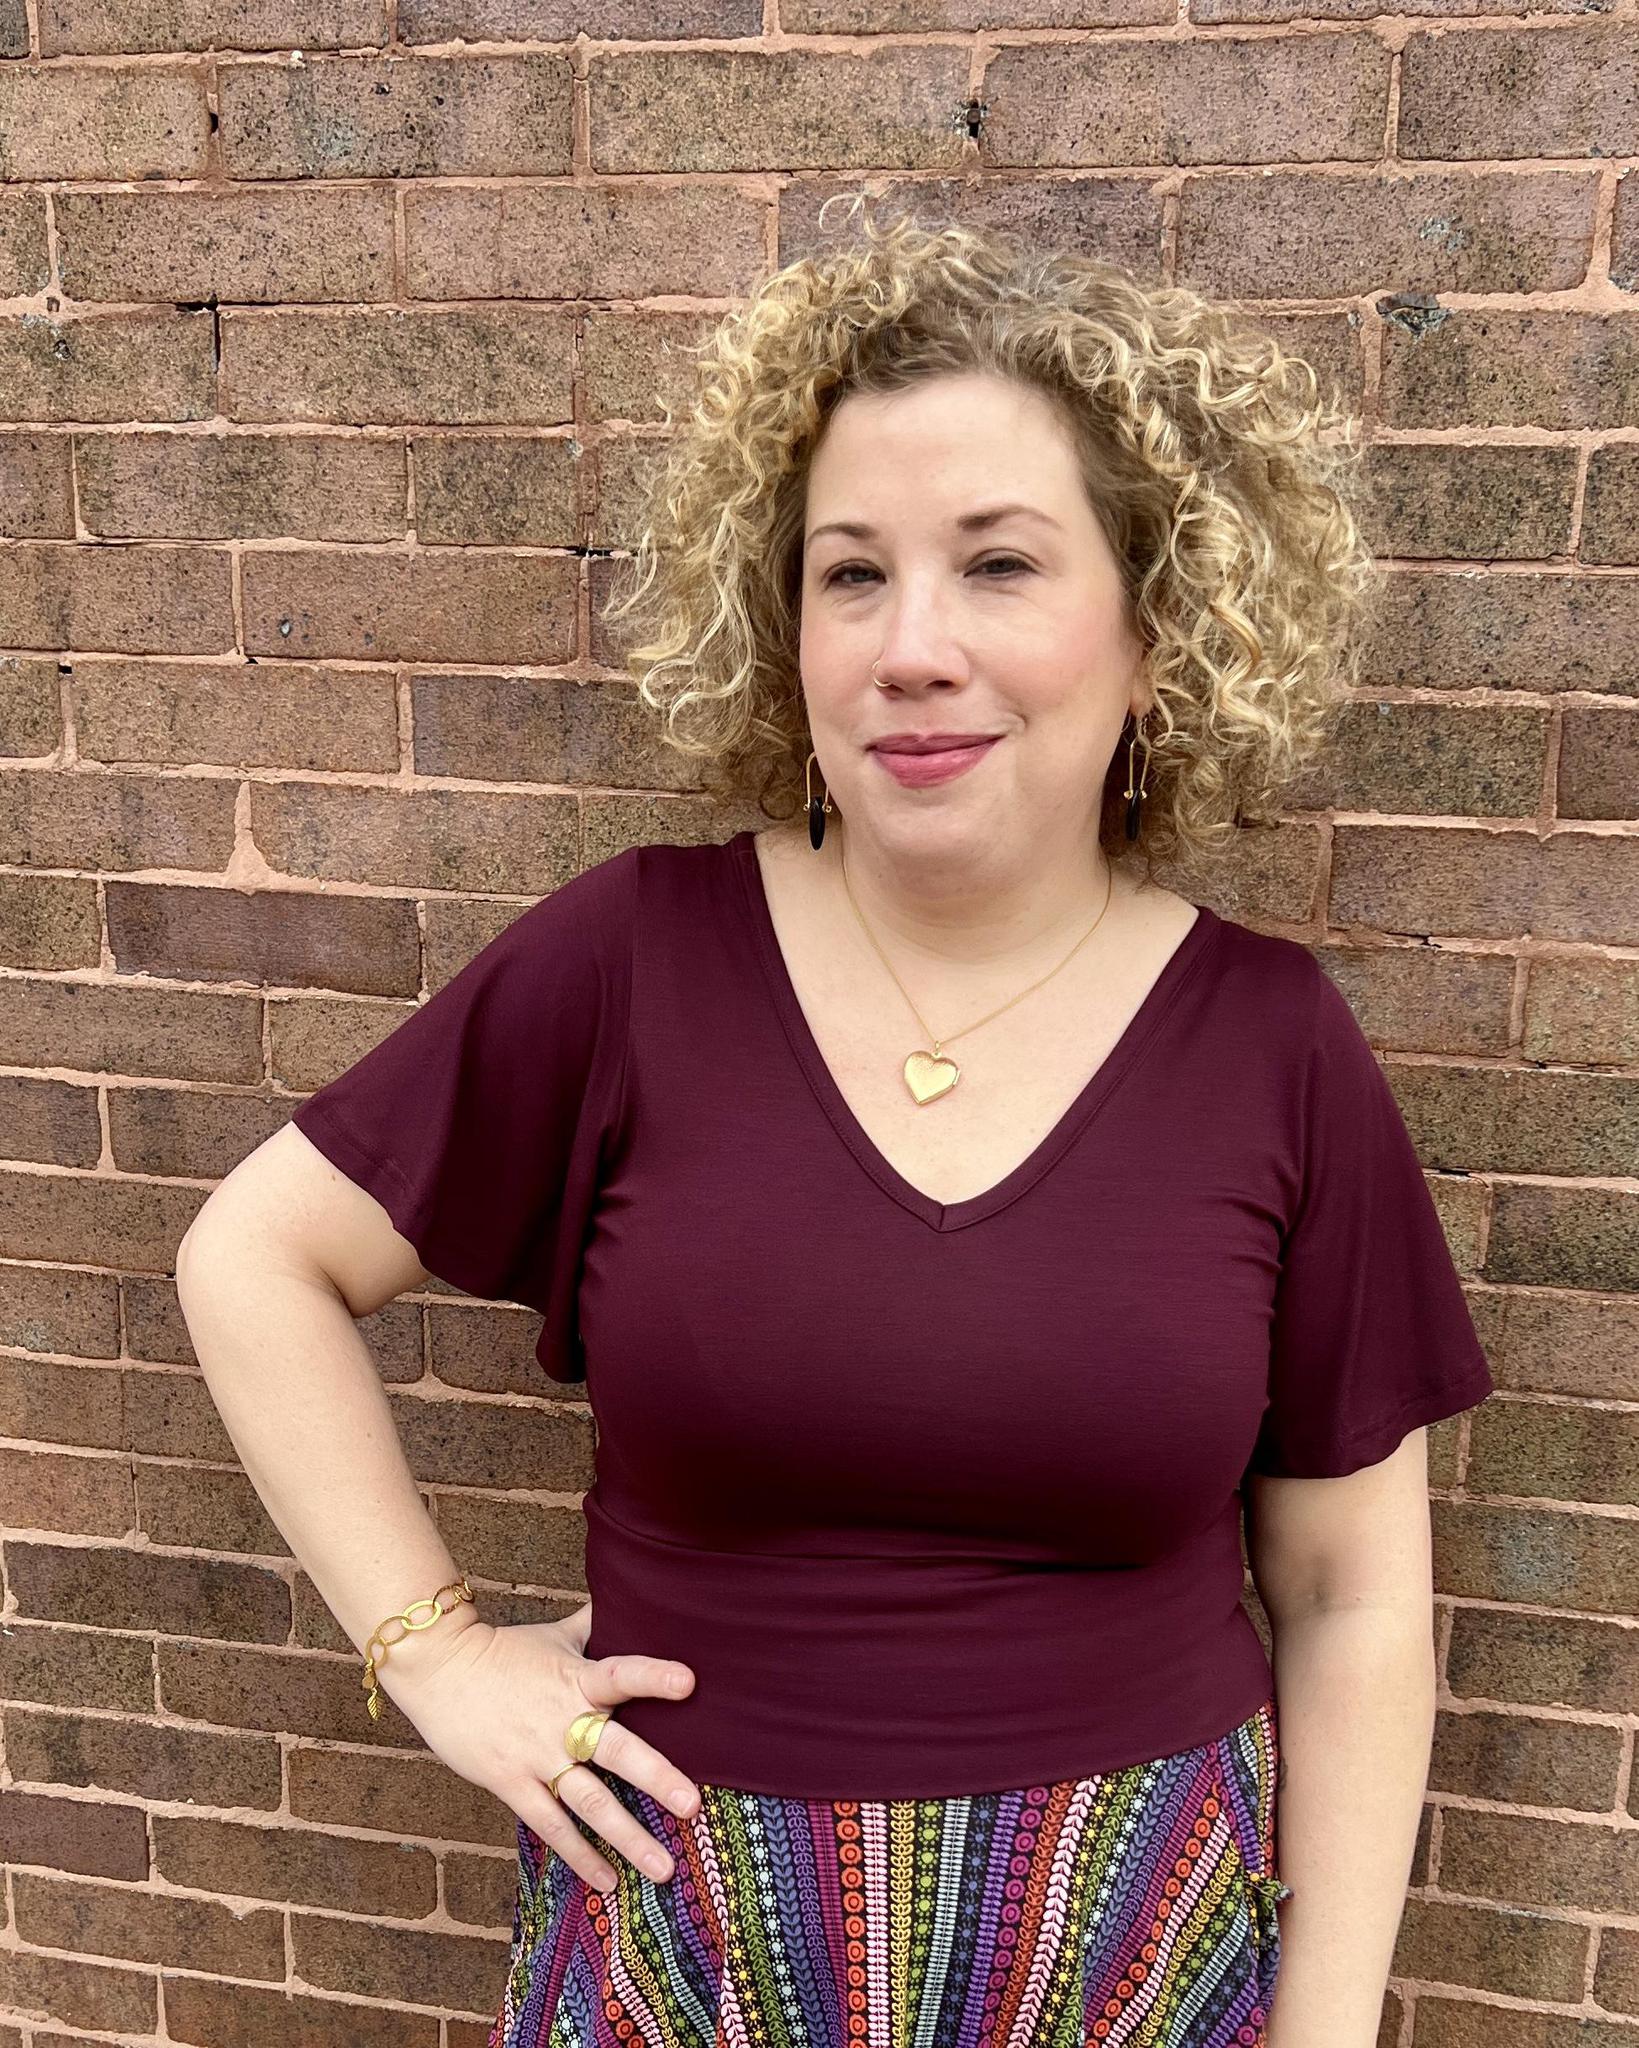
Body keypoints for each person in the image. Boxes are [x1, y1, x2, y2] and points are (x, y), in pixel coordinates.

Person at [176, 199, 1495, 2047]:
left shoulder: (1273, 1048)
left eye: (1001, 565)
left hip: (1127, 1947)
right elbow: (256, 1257)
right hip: (682, 1948)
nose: (911, 648)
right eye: (851, 574)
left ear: (1158, 626)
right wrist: (434, 1654)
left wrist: (1330, 2029)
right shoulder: (634, 960)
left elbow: (1353, 1597)